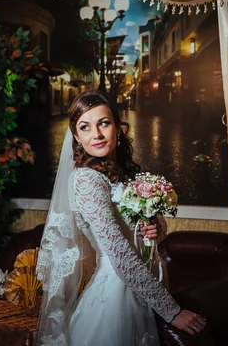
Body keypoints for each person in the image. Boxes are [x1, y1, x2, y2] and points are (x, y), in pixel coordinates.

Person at [36, 90, 206, 346]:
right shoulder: (86, 180)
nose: (97, 134)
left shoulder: (123, 176)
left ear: (117, 127)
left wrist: (156, 227)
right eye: (85, 127)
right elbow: (118, 253)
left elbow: (140, 234)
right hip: (115, 299)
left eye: (103, 123)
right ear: (77, 138)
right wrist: (172, 311)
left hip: (142, 288)